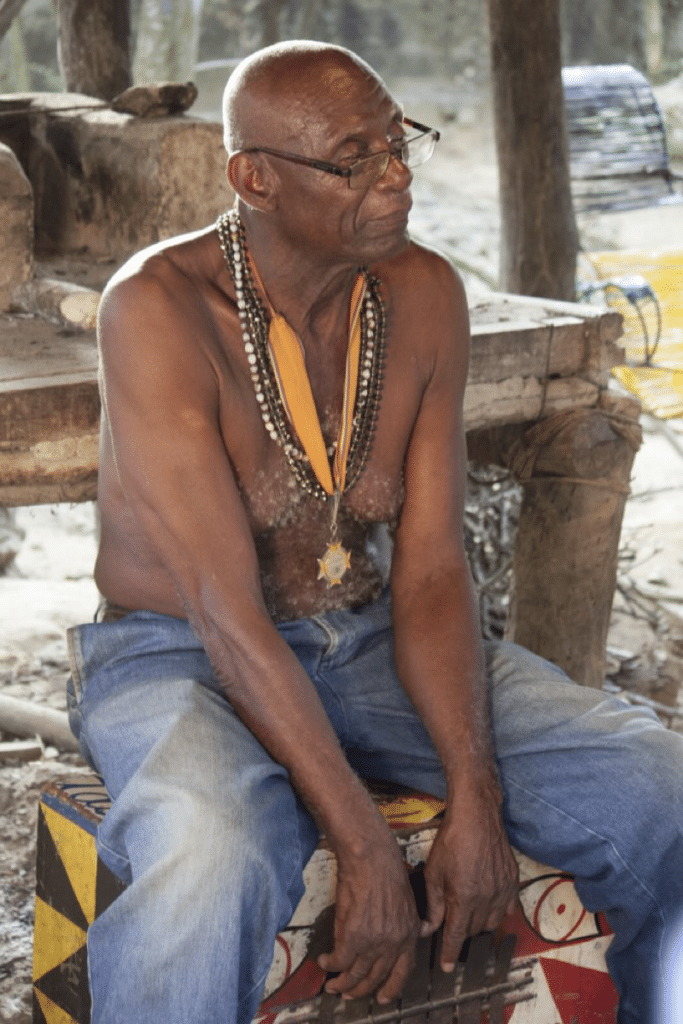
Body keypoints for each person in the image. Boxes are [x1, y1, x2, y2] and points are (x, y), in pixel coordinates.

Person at [66, 39, 683, 1024]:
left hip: (366, 639)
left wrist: (475, 799)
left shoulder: (422, 293)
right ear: (254, 179)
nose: (394, 175)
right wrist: (365, 849)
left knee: (659, 787)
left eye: (398, 143)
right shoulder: (156, 309)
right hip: (179, 652)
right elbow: (226, 616)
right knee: (209, 855)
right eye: (353, 159)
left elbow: (430, 571)